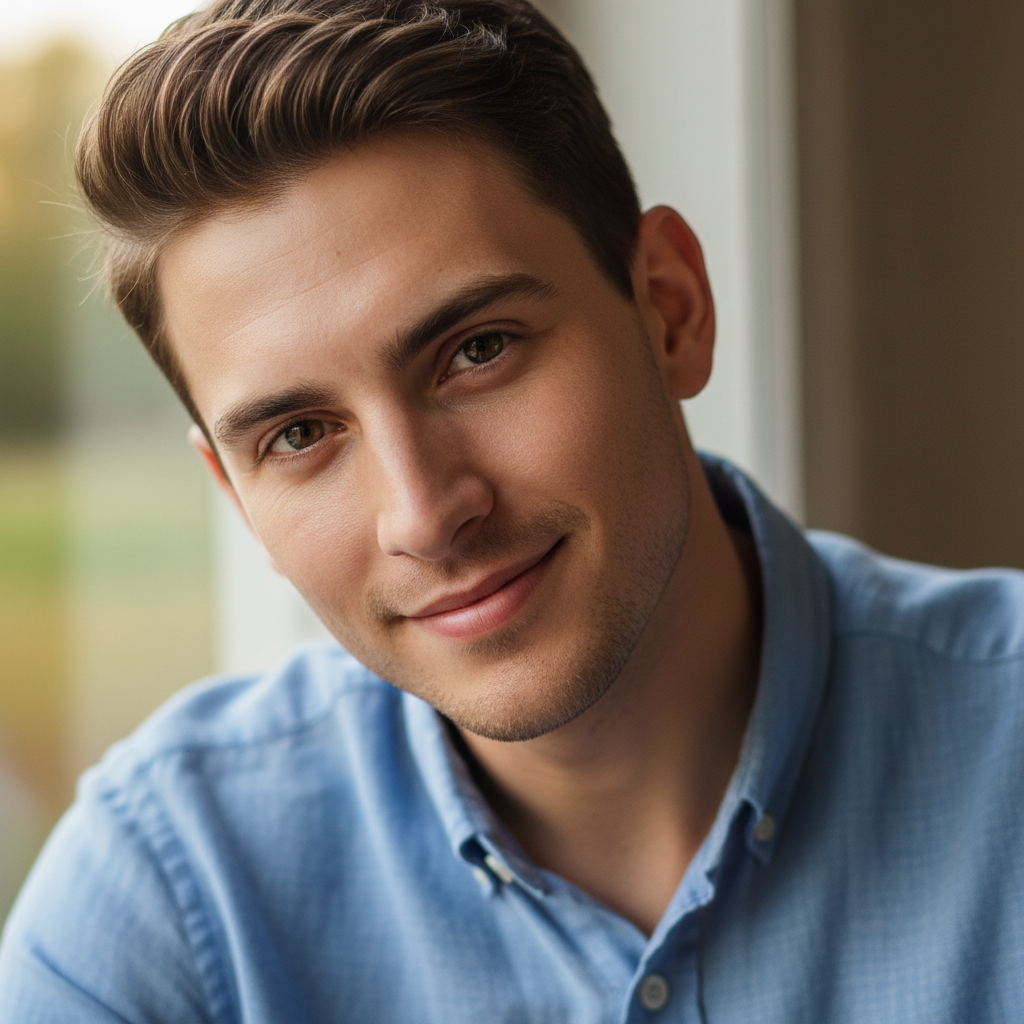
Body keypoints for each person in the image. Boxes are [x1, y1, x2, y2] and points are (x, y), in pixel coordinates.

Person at [2, 0, 1024, 1020]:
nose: (424, 513)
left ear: (670, 309)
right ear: (234, 493)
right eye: (300, 436)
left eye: (477, 351)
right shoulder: (174, 887)